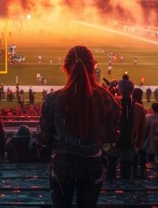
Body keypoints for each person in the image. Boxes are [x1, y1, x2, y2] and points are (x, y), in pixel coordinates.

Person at [40, 46, 121, 208]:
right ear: (93, 67)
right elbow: (112, 137)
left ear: (65, 68)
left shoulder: (52, 100)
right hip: (92, 164)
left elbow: (43, 140)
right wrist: (99, 149)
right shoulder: (106, 99)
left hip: (62, 163)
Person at [106, 77, 146, 180]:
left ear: (119, 90)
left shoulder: (112, 103)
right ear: (132, 90)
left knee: (110, 170)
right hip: (130, 143)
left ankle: (111, 194)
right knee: (126, 173)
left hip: (114, 143)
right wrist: (138, 145)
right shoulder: (139, 108)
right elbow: (142, 130)